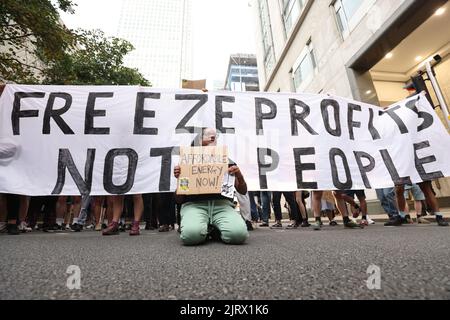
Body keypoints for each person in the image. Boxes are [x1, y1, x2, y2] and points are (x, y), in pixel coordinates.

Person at [174, 127, 248, 245]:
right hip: (194, 206)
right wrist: (180, 180)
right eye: (208, 135)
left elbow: (243, 191)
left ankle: (212, 230)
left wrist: (239, 176)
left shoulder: (227, 161)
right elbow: (179, 199)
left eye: (215, 136)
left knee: (238, 235)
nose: (212, 138)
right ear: (199, 139)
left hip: (222, 206)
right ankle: (203, 228)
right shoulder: (187, 162)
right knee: (190, 236)